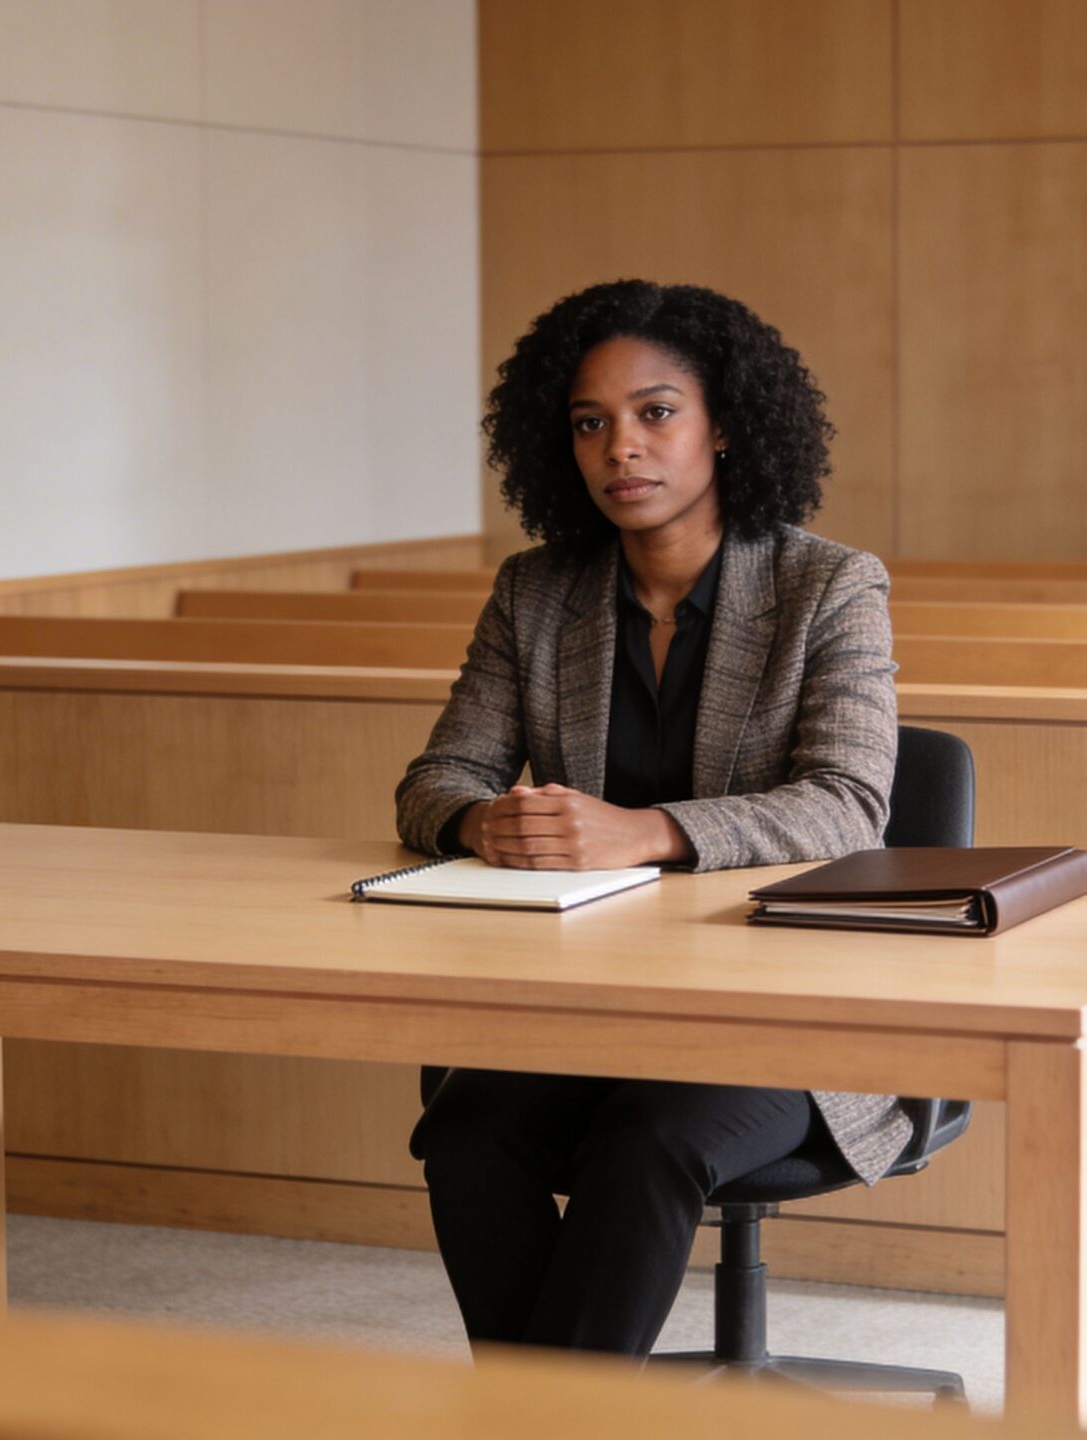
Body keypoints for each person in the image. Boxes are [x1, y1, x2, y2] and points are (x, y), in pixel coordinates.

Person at [394, 279, 909, 1358]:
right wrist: (482, 823)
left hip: (787, 1014)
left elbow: (851, 805)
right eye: (590, 423)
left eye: (655, 412)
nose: (621, 447)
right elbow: (437, 777)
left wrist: (649, 831)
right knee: (468, 1135)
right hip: (585, 999)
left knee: (648, 1142)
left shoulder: (829, 587)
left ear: (724, 427)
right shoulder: (537, 592)